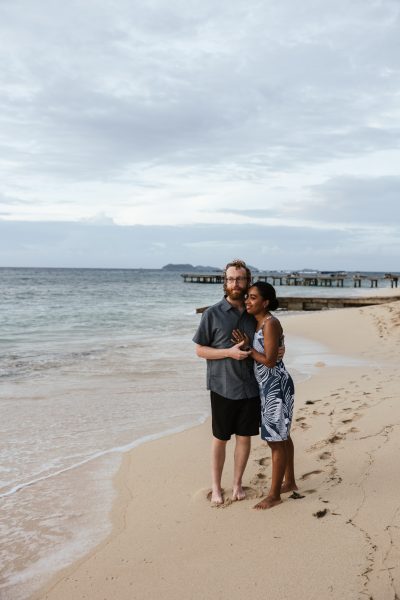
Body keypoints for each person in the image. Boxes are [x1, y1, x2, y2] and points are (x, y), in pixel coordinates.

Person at [193, 259, 284, 505]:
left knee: (244, 437)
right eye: (231, 279)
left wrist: (279, 348)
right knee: (220, 438)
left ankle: (236, 484)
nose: (235, 283)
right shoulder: (212, 314)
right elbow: (200, 350)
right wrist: (228, 352)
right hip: (222, 386)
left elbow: (270, 334)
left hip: (251, 387)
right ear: (225, 282)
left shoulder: (252, 312)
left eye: (240, 279)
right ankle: (216, 487)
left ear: (247, 281)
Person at [233, 281, 297, 509]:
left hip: (275, 387)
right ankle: (289, 481)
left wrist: (249, 351)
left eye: (253, 297)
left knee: (275, 440)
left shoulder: (270, 323)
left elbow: (269, 361)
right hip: (269, 386)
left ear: (265, 302)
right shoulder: (259, 322)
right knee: (282, 436)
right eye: (247, 297)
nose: (247, 301)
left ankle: (274, 495)